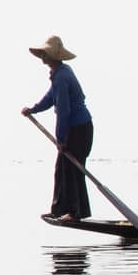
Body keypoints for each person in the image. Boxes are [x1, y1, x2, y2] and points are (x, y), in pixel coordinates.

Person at [21, 36, 94, 221]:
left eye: (45, 54)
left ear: (53, 55)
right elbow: (50, 97)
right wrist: (33, 109)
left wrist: (61, 138)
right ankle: (61, 210)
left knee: (72, 170)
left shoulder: (62, 76)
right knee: (62, 169)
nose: (42, 57)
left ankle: (75, 212)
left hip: (78, 129)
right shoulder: (59, 73)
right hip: (76, 128)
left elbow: (64, 111)